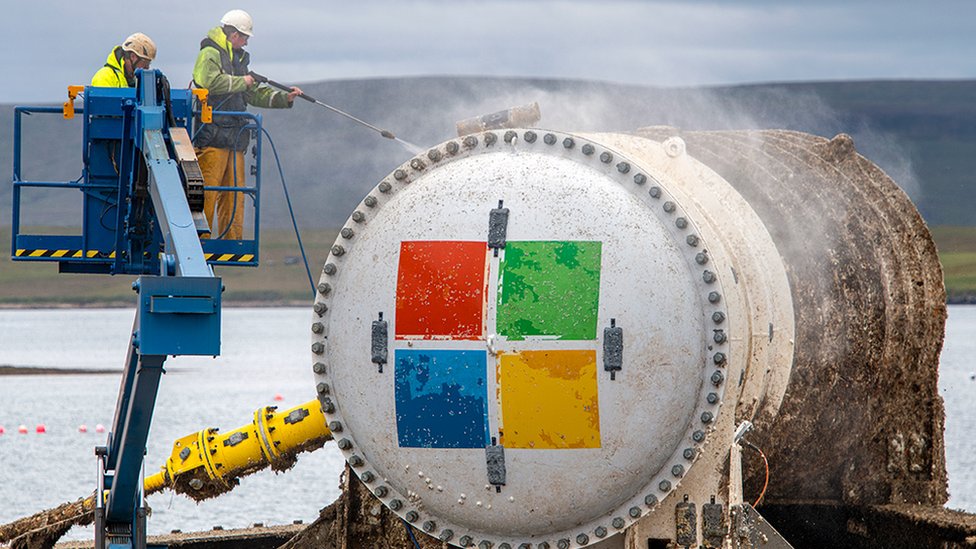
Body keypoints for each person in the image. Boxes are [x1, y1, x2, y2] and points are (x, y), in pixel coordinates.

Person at [192, 9, 302, 240]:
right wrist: (243, 81)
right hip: (211, 137)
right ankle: (198, 242)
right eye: (244, 37)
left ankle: (231, 241)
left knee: (235, 194)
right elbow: (208, 81)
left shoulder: (239, 60)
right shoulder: (209, 53)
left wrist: (285, 98)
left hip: (234, 139)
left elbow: (252, 93)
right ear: (233, 34)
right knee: (208, 193)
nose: (246, 41)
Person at [91, 33, 157, 87]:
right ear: (133, 57)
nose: (147, 67)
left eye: (149, 63)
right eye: (145, 63)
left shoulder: (135, 81)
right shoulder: (104, 77)